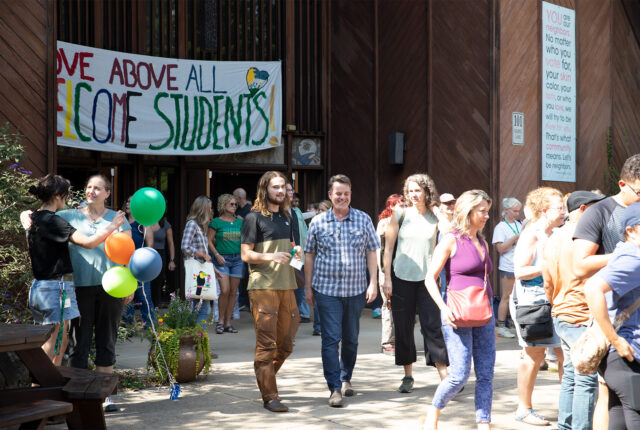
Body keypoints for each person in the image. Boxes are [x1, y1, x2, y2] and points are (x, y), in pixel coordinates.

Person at [26, 174, 125, 366]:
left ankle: (44, 387)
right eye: (65, 194)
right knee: (55, 343)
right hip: (55, 288)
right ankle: (41, 389)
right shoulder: (55, 221)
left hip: (40, 288)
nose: (68, 198)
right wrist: (113, 226)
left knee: (56, 342)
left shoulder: (35, 218)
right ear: (57, 196)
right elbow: (88, 242)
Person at [573, 154, 640, 430]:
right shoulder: (597, 213)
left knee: (615, 404)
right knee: (605, 397)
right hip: (611, 325)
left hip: (617, 320)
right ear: (623, 184)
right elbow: (580, 267)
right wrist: (626, 256)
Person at [56, 174, 132, 412]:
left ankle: (105, 396)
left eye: (98, 188)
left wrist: (130, 283)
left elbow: (127, 254)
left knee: (106, 339)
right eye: (88, 186)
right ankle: (78, 395)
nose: (91, 191)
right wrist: (26, 214)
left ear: (107, 193)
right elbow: (44, 216)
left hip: (112, 287)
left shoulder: (118, 219)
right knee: (79, 343)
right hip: (79, 287)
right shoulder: (69, 215)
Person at [304, 174, 380, 408]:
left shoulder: (363, 219)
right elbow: (309, 254)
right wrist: (308, 287)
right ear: (330, 195)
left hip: (356, 290)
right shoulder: (318, 222)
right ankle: (334, 387)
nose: (342, 197)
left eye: (346, 193)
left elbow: (371, 251)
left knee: (351, 340)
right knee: (330, 339)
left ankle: (346, 377)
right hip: (326, 290)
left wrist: (373, 282)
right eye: (338, 193)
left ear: (350, 194)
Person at [423, 190, 495, 430]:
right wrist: (443, 308)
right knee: (459, 375)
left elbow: (486, 281)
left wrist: (492, 318)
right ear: (468, 211)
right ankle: (434, 409)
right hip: (456, 313)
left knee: (485, 374)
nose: (486, 215)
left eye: (487, 210)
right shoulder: (451, 239)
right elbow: (430, 279)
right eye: (482, 211)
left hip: (484, 314)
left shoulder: (482, 241)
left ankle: (483, 422)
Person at [240, 171, 302, 413]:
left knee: (286, 344)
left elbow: (294, 247)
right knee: (266, 344)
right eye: (275, 187)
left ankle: (264, 377)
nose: (280, 191)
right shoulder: (253, 218)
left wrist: (297, 254)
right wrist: (270, 256)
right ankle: (270, 395)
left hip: (287, 285)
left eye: (283, 187)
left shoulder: (289, 216)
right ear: (265, 189)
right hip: (263, 286)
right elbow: (246, 254)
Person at [543, 191, 604, 430]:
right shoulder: (584, 239)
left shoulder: (554, 238)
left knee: (570, 375)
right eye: (596, 209)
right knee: (586, 380)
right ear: (583, 209)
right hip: (581, 317)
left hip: (561, 313)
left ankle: (565, 426)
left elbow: (547, 282)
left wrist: (556, 303)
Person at [382, 174, 449, 393]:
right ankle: (408, 375)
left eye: (418, 190)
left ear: (427, 191)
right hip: (401, 278)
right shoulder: (400, 214)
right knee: (403, 327)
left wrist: (439, 211)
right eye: (410, 191)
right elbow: (388, 249)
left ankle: (445, 377)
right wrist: (387, 279)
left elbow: (450, 235)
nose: (414, 194)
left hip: (428, 280)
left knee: (433, 328)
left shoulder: (435, 216)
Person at [510, 187, 565, 426]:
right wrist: (550, 265)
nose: (564, 211)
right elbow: (519, 271)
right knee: (533, 355)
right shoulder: (532, 234)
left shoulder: (556, 233)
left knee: (565, 354)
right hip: (533, 304)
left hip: (554, 301)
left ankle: (568, 407)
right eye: (559, 207)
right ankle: (524, 408)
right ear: (544, 211)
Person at [584, 202, 640, 429]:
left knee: (617, 417)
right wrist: (615, 339)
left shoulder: (624, 252)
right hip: (629, 353)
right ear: (631, 230)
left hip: (620, 357)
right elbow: (592, 288)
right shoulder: (634, 258)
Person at [208, 193, 243, 334]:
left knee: (234, 292)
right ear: (223, 205)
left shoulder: (239, 222)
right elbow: (208, 240)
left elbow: (245, 239)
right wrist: (216, 254)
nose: (234, 206)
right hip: (223, 259)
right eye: (231, 204)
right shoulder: (216, 222)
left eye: (235, 204)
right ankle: (220, 321)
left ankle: (228, 323)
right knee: (224, 290)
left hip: (238, 259)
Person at [182, 196, 217, 326]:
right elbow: (185, 246)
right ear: (204, 209)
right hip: (197, 271)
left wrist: (214, 269)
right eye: (210, 207)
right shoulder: (192, 224)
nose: (212, 210)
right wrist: (202, 254)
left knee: (199, 306)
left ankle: (194, 338)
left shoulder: (202, 227)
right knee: (202, 308)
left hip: (202, 271)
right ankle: (197, 338)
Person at [376, 193, 404, 355]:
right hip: (385, 270)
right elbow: (379, 249)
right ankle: (387, 341)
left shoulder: (408, 222)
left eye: (403, 203)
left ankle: (400, 339)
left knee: (401, 306)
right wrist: (382, 274)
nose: (402, 205)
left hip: (403, 270)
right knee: (388, 305)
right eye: (398, 203)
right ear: (391, 206)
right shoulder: (384, 223)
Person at [492, 197, 522, 338]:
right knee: (506, 296)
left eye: (518, 211)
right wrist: (515, 238)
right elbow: (500, 249)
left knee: (519, 297)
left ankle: (518, 324)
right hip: (508, 266)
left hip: (521, 265)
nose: (517, 213)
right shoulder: (500, 227)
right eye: (515, 211)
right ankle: (502, 325)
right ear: (506, 210)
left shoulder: (519, 224)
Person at [123, 196, 155, 326]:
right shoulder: (121, 221)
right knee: (126, 296)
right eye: (127, 201)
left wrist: (145, 262)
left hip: (139, 264)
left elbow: (150, 244)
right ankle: (128, 325)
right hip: (124, 263)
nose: (127, 203)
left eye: (131, 202)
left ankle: (150, 324)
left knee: (143, 295)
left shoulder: (143, 223)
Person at [286, 182, 311, 324]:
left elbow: (305, 233)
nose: (290, 193)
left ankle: (292, 322)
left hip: (298, 257)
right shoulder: (276, 211)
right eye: (287, 190)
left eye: (291, 190)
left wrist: (307, 253)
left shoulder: (296, 212)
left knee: (299, 290)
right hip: (282, 258)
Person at [151, 217, 176, 307]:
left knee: (158, 281)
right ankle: (147, 305)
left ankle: (156, 305)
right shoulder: (146, 221)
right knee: (147, 280)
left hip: (160, 254)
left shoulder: (165, 224)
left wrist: (172, 260)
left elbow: (171, 243)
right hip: (147, 253)